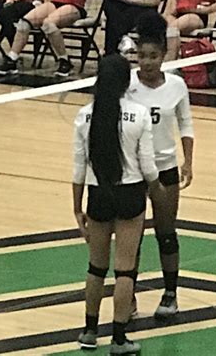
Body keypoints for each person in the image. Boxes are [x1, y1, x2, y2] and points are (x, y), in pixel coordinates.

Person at [72, 53, 165, 354]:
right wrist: (157, 191)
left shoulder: (85, 114)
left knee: (96, 267)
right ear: (127, 80)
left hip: (97, 195)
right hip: (130, 195)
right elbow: (148, 166)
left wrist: (77, 207)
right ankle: (119, 339)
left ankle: (88, 332)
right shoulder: (138, 114)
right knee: (125, 270)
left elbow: (78, 168)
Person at [126, 11, 194, 319]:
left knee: (166, 231)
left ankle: (170, 293)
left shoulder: (177, 86)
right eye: (142, 56)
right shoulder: (126, 85)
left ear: (164, 56)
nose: (148, 62)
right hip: (133, 170)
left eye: (154, 56)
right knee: (132, 235)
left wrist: (188, 162)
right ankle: (128, 297)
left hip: (165, 168)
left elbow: (186, 125)